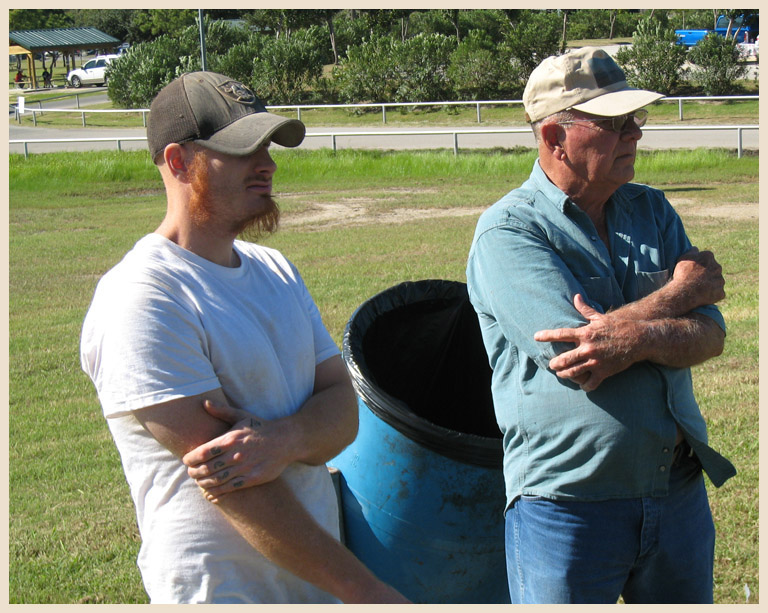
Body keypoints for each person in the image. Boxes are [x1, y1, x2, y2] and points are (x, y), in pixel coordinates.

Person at [80, 71, 409, 604]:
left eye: (269, 147)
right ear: (177, 161)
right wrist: (364, 590)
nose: (269, 165)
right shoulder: (141, 296)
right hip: (222, 590)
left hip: (315, 584)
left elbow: (344, 411)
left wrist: (284, 441)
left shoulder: (274, 269)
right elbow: (233, 484)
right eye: (242, 150)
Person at [466, 47, 736, 604]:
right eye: (613, 123)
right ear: (553, 139)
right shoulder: (508, 232)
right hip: (567, 505)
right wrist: (680, 294)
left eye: (635, 120)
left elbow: (712, 334)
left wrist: (635, 336)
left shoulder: (652, 209)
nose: (634, 134)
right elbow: (579, 357)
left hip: (676, 489)